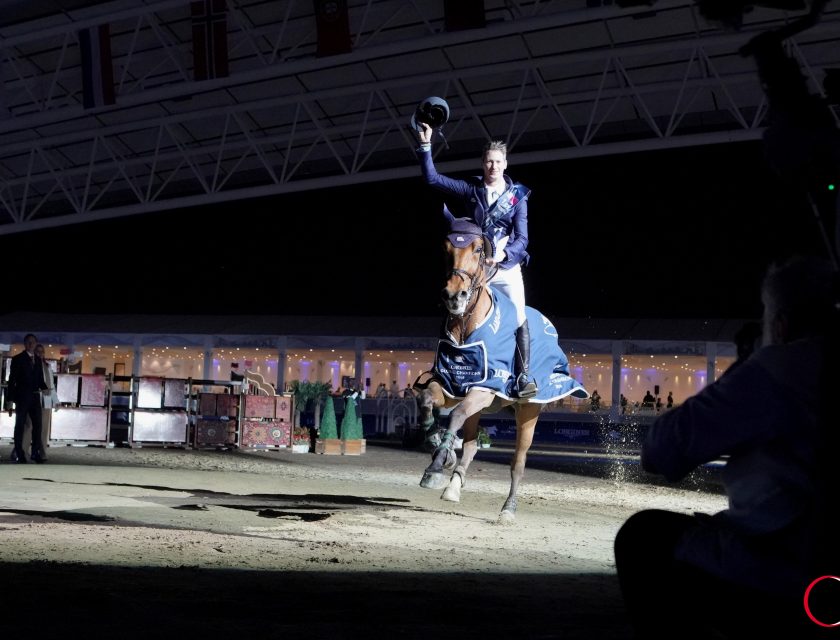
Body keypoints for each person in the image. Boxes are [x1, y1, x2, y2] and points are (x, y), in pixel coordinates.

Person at [614, 255, 838, 638]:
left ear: (780, 325)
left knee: (641, 535)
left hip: (787, 573)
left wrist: (746, 365)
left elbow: (661, 450)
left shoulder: (777, 369)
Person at [415, 121, 537, 399]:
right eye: (488, 162)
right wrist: (425, 145)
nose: (492, 166)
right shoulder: (472, 189)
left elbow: (523, 239)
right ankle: (440, 367)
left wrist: (505, 256)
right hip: (476, 262)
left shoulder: (518, 197)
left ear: (505, 164)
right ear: (483, 164)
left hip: (504, 266)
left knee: (519, 314)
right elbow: (433, 179)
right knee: (453, 303)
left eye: (497, 161)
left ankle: (523, 376)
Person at [4, 333, 49, 463]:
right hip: (22, 397)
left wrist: (45, 387)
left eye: (33, 342)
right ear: (25, 344)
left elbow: (40, 379)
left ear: (35, 344)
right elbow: (12, 380)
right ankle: (20, 453)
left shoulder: (38, 360)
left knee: (37, 426)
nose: (31, 344)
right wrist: (10, 400)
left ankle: (35, 453)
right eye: (28, 342)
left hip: (35, 397)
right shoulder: (18, 359)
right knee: (20, 426)